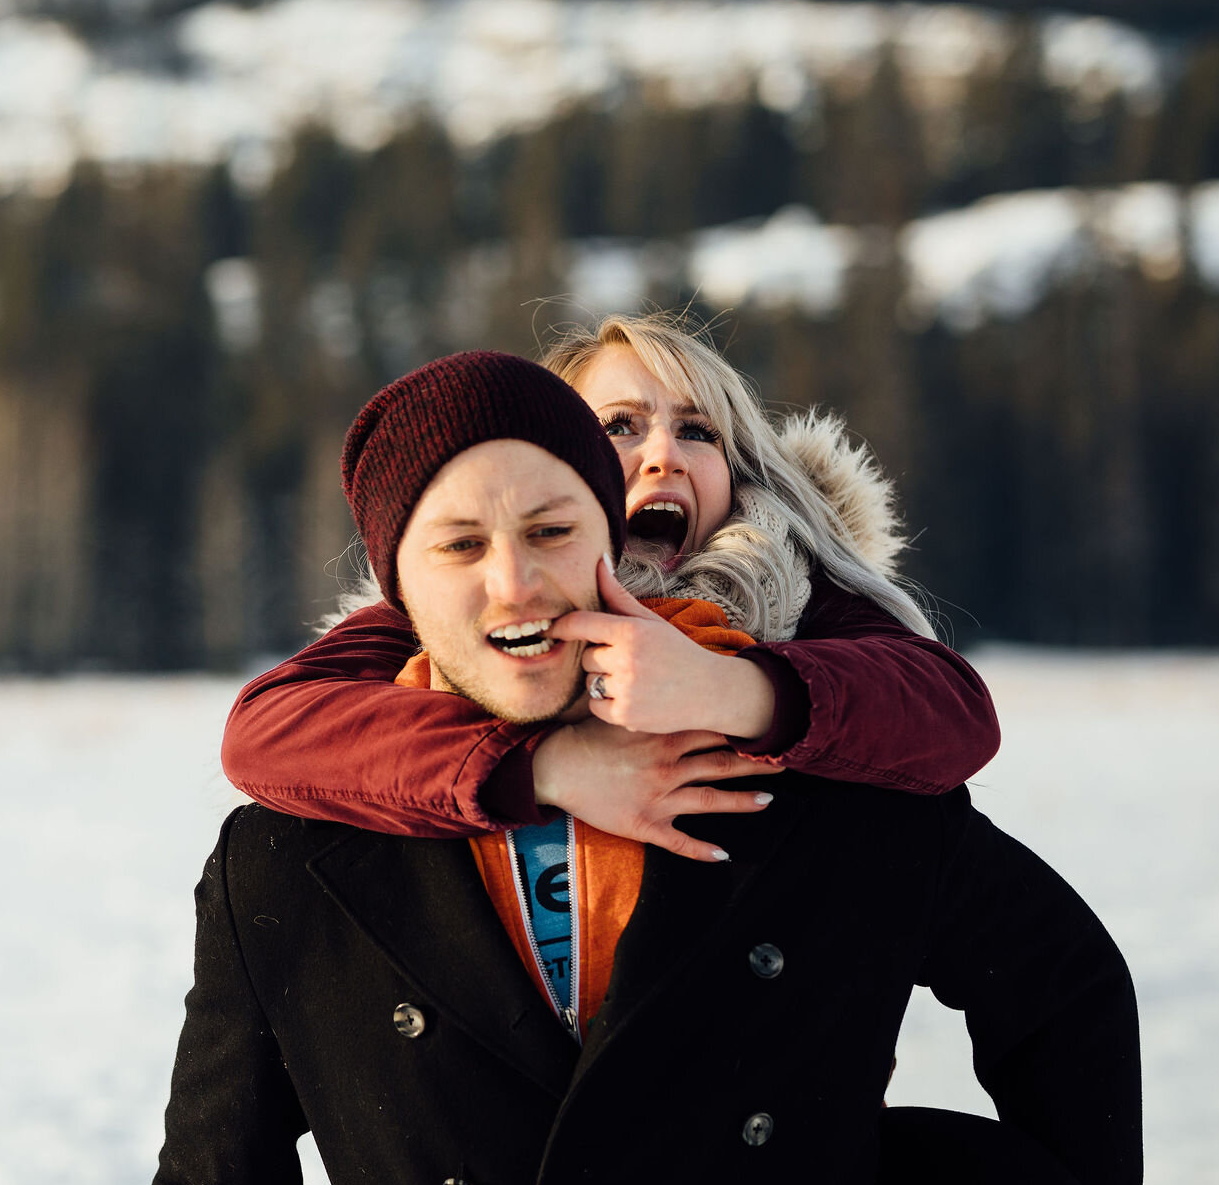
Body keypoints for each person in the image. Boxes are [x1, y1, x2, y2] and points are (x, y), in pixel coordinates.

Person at [153, 351, 1140, 1185]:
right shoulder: (292, 849)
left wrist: (735, 693)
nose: (511, 579)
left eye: (549, 529)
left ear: (603, 535)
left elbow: (1058, 983)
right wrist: (540, 765)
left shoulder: (826, 776)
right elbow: (213, 1177)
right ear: (397, 583)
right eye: (460, 542)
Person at [222, 312, 999, 857]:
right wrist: (550, 767)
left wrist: (729, 689)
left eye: (698, 431)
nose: (664, 454)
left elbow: (956, 716)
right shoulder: (469, 610)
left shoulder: (789, 585)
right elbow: (268, 731)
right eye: (620, 426)